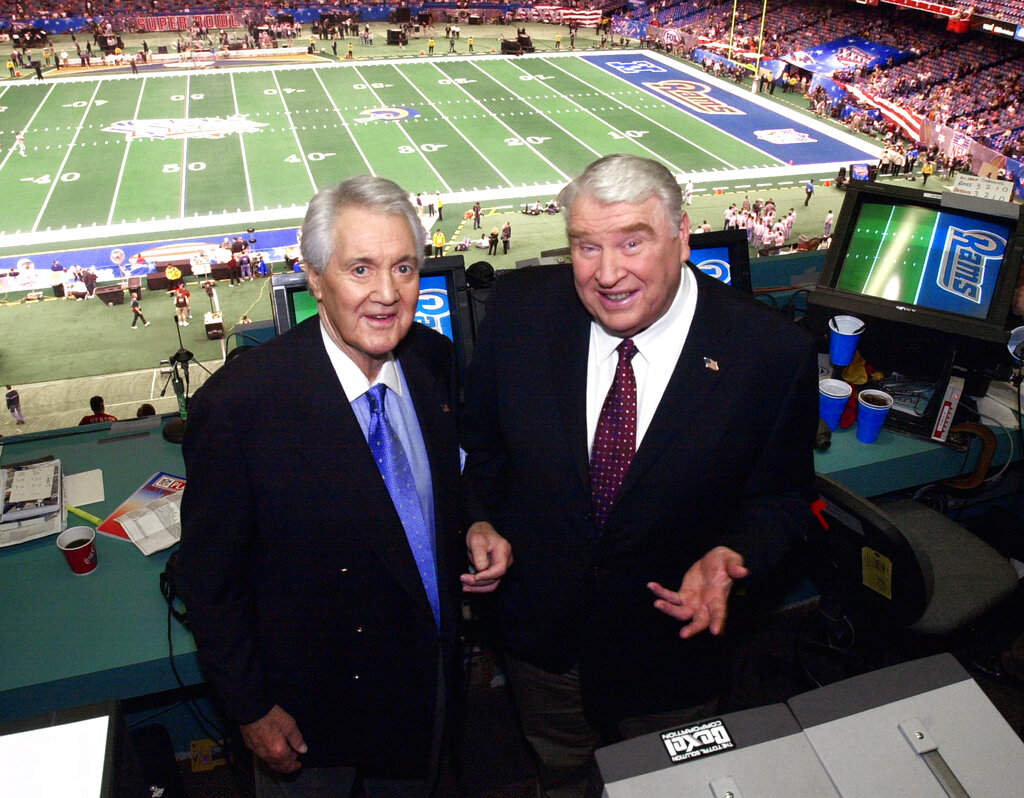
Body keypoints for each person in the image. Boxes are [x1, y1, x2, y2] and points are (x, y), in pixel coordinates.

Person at [461, 154, 817, 798]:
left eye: (633, 241)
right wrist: (479, 518)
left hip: (672, 652)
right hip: (542, 645)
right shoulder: (517, 314)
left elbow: (784, 499)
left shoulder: (768, 352)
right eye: (586, 246)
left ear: (682, 234)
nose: (607, 273)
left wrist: (735, 553)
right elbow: (481, 451)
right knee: (562, 774)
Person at [175, 175, 505, 798]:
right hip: (310, 719)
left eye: (404, 268)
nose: (387, 294)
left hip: (423, 687)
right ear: (316, 278)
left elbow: (446, 481)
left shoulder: (432, 361)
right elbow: (210, 580)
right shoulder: (241, 408)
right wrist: (249, 709)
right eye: (361, 269)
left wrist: (476, 522)